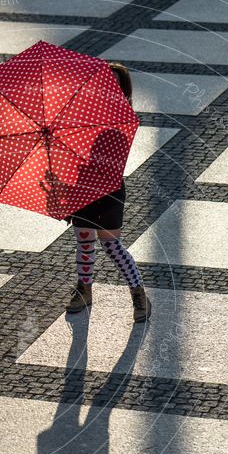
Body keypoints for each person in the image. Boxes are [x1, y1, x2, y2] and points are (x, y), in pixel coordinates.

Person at [64, 61, 151, 323]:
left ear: (122, 88)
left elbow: (110, 160)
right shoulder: (82, 115)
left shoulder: (123, 121)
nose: (107, 87)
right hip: (81, 187)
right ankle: (84, 289)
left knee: (111, 245)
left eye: (113, 82)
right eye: (104, 82)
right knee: (84, 242)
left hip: (108, 190)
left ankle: (139, 294)